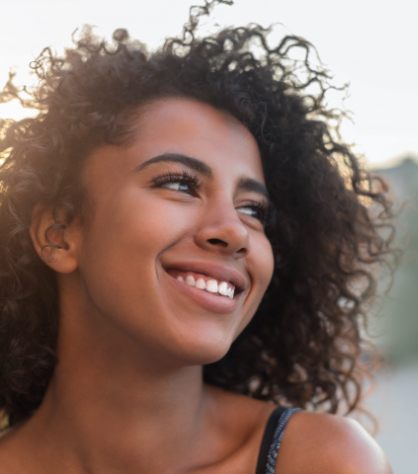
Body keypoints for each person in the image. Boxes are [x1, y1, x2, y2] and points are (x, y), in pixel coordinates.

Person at [0, 1, 395, 472]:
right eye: (180, 184)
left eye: (253, 210)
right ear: (59, 233)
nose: (234, 231)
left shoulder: (322, 462)